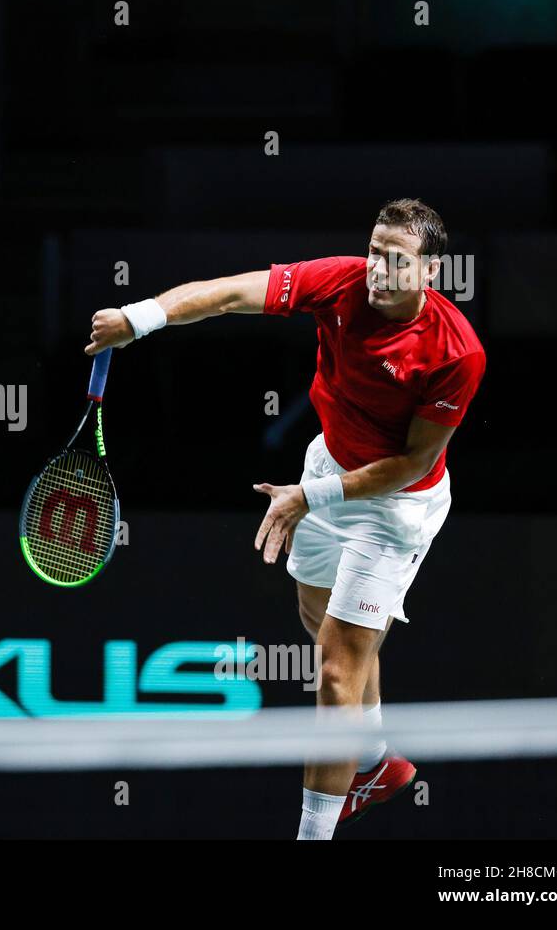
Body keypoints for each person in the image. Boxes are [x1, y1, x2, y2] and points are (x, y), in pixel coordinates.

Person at [84, 198, 486, 839]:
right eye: (375, 250)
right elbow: (227, 293)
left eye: (398, 259)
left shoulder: (455, 353)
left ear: (431, 270)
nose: (379, 269)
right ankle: (376, 763)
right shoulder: (343, 281)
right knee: (319, 620)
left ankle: (313, 834)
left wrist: (310, 497)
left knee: (334, 668)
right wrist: (140, 318)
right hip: (326, 464)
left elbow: (412, 463)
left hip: (394, 509)